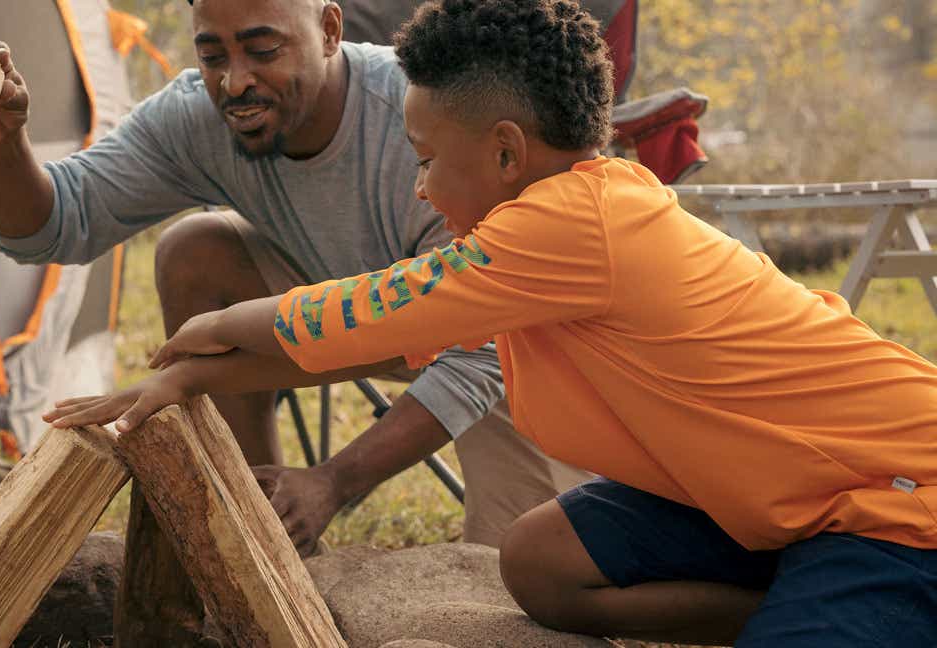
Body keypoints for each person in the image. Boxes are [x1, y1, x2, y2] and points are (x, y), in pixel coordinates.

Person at [47, 0, 937, 645]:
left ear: (507, 151)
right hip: (771, 503)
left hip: (891, 501)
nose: (423, 187)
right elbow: (372, 343)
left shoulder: (567, 225)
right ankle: (793, 602)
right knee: (541, 562)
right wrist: (184, 377)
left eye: (428, 160)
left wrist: (203, 335)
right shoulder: (543, 246)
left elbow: (348, 314)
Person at [0, 0, 589, 551]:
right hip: (363, 310)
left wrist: (335, 478)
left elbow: (478, 348)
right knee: (196, 250)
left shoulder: (427, 117)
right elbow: (49, 227)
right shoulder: (197, 119)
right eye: (213, 56)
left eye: (262, 49)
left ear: (330, 30)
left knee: (511, 575)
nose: (235, 83)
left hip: (511, 339)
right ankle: (260, 518)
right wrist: (5, 145)